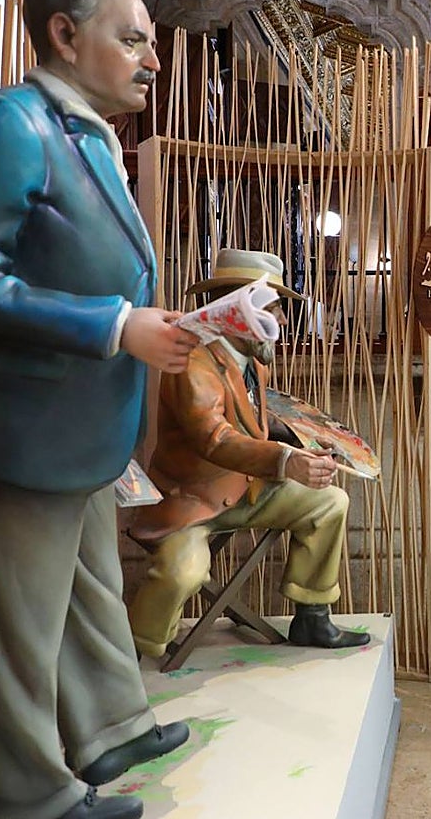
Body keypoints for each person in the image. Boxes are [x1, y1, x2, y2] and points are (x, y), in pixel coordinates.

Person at [0, 0, 199, 816]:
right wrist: (118, 326)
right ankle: (18, 793)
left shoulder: (89, 134)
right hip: (33, 424)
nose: (154, 60)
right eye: (134, 40)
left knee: (88, 586)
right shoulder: (11, 122)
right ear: (64, 33)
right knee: (23, 623)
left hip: (88, 422)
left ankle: (110, 726)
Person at [126, 249, 370, 657]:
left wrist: (309, 441)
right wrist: (285, 460)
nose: (283, 321)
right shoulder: (193, 364)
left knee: (328, 502)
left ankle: (312, 616)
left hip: (247, 491)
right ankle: (135, 650)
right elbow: (215, 438)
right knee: (182, 572)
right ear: (240, 309)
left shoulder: (253, 362)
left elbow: (250, 425)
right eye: (274, 309)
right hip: (194, 502)